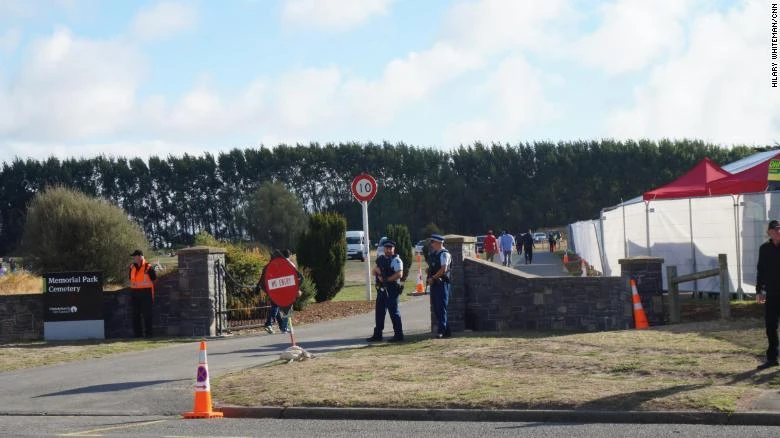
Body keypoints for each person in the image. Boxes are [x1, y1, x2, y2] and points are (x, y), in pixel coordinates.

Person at [257, 249, 303, 334]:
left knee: (276, 306)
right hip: (285, 290)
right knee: (287, 308)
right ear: (289, 256)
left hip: (274, 288)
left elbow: (268, 275)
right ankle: (281, 326)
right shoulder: (290, 264)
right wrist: (297, 289)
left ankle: (279, 325)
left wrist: (261, 286)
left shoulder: (275, 263)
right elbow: (295, 278)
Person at [367, 240, 405, 342]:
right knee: (379, 312)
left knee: (394, 312)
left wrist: (386, 279)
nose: (388, 250)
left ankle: (398, 335)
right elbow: (373, 271)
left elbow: (399, 274)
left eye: (390, 248)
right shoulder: (381, 259)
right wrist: (379, 274)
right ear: (384, 249)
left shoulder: (396, 260)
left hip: (392, 289)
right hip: (382, 290)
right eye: (386, 248)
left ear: (393, 249)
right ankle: (377, 335)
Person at [757, 220, 780, 369]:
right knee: (770, 326)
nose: (778, 231)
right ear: (769, 232)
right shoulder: (764, 248)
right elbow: (761, 270)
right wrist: (760, 290)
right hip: (772, 293)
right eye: (776, 229)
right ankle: (772, 358)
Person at [427, 234, 452, 338]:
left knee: (441, 307)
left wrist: (433, 278)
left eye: (433, 242)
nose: (431, 244)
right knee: (437, 308)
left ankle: (442, 331)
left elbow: (443, 269)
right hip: (435, 284)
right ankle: (446, 330)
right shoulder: (434, 254)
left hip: (441, 284)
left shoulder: (444, 254)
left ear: (439, 243)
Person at [129, 249, 157, 338]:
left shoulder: (148, 267)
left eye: (135, 256)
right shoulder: (131, 267)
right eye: (133, 256)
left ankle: (149, 334)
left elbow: (154, 279)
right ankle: (137, 335)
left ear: (140, 256)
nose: (134, 258)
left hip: (146, 293)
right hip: (134, 293)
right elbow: (130, 278)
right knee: (135, 315)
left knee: (147, 315)